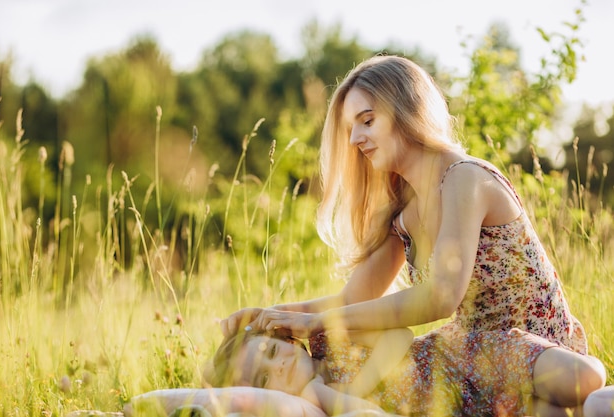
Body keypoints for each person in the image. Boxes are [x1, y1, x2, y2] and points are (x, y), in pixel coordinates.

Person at [220, 55, 610, 414]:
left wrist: (319, 323)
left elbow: (441, 296)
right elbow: (352, 299)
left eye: (367, 120)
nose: (355, 139)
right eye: (350, 128)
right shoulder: (401, 213)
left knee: (568, 393)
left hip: (537, 346)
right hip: (470, 362)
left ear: (406, 111)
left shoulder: (464, 178)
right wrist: (274, 315)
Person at [207, 326, 605, 416]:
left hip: (468, 356)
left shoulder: (328, 336)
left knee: (586, 380)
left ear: (287, 340)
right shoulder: (320, 403)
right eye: (264, 377)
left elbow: (400, 333)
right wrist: (317, 392)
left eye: (271, 351)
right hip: (476, 408)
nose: (278, 366)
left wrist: (361, 382)